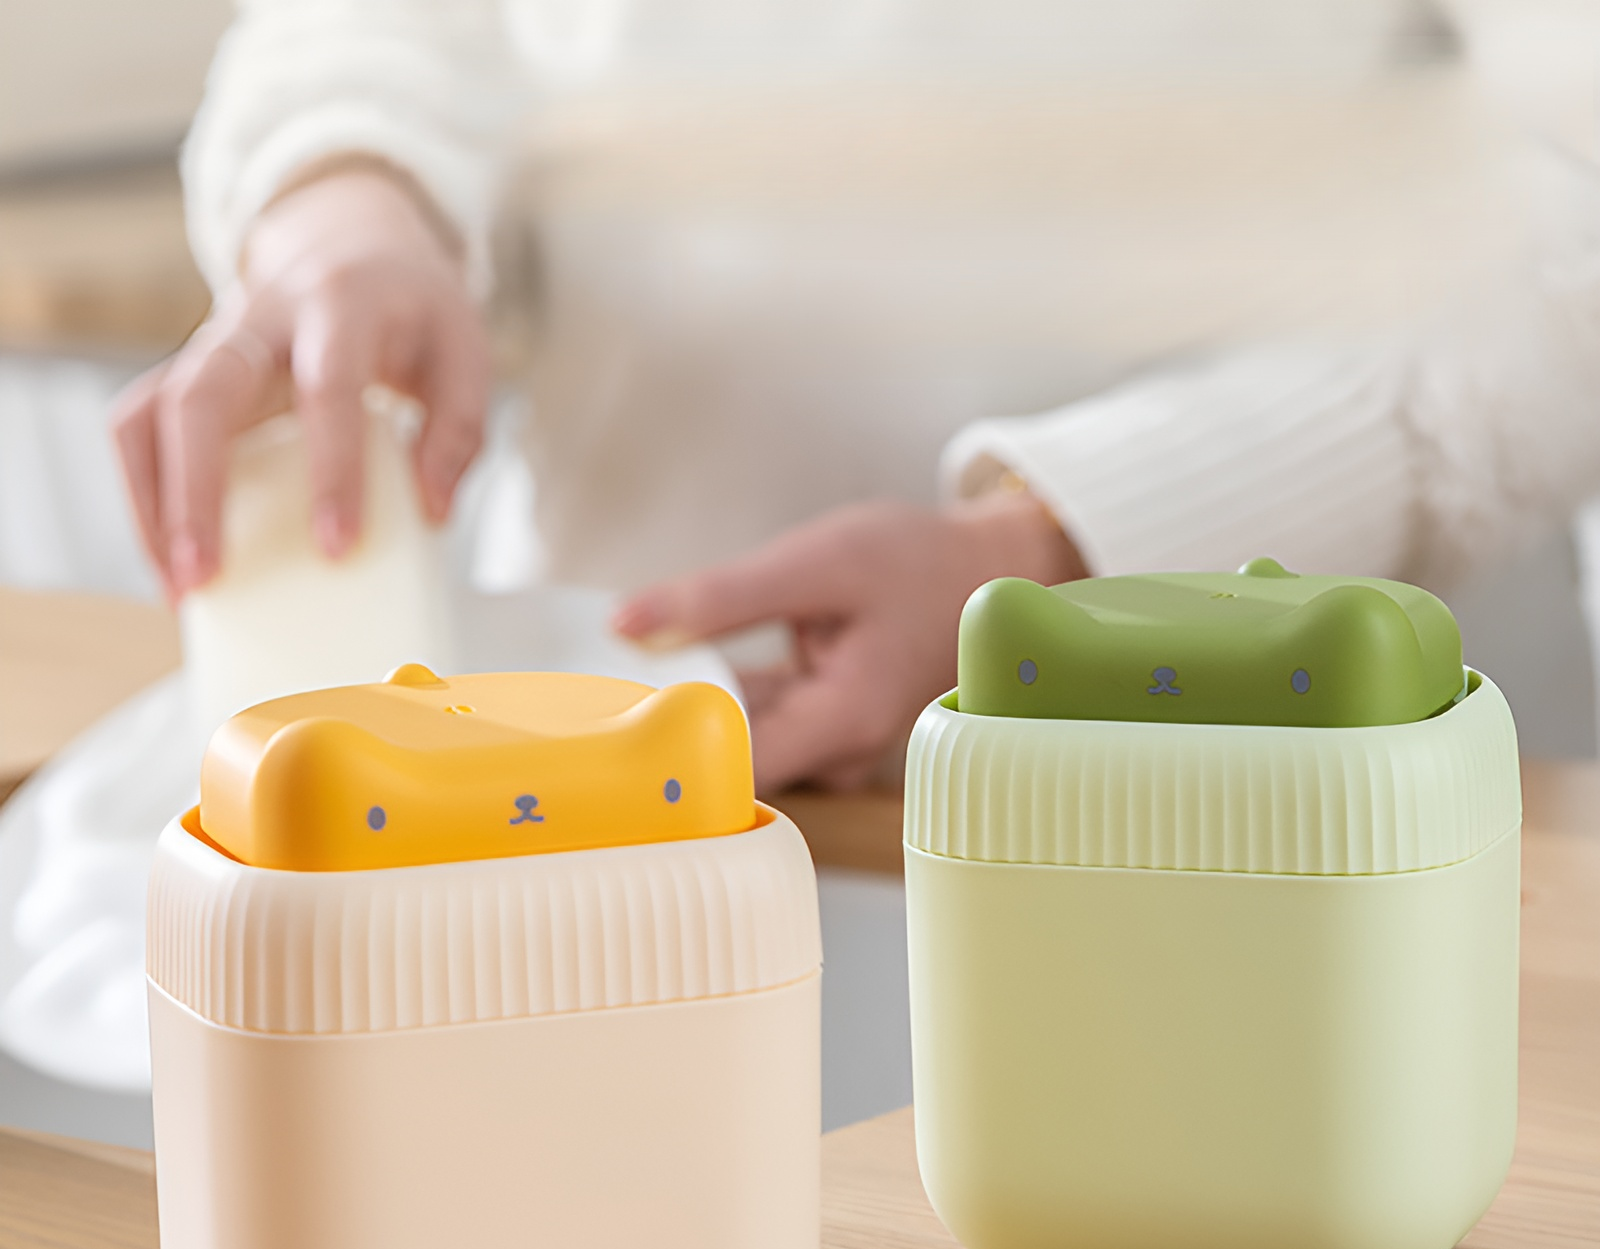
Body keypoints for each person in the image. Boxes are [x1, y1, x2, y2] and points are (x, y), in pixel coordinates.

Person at [114, 1, 1600, 791]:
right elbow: (373, 24)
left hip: (1276, 781)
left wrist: (1055, 557)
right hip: (606, 768)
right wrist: (344, 205)